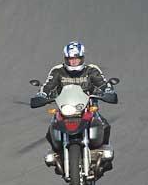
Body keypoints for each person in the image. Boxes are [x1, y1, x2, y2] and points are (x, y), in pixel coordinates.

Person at [35, 41, 114, 171]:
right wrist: (42, 95)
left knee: (104, 124)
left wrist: (108, 91)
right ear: (66, 59)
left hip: (87, 108)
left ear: (82, 58)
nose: (73, 62)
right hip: (65, 109)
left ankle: (104, 154)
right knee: (51, 128)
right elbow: (47, 86)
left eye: (76, 58)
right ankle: (56, 154)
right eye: (70, 59)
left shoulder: (92, 70)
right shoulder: (57, 71)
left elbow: (103, 84)